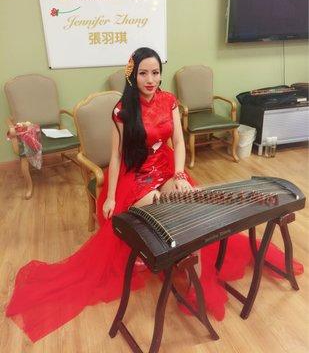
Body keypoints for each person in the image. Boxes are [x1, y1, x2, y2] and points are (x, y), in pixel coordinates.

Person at [5, 47, 303, 343]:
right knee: (168, 211)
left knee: (192, 204)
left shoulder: (169, 101)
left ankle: (194, 279)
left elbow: (178, 140)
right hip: (134, 177)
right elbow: (117, 155)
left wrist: (179, 174)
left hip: (165, 167)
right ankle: (183, 265)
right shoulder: (123, 109)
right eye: (144, 73)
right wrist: (109, 197)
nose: (151, 79)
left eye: (156, 72)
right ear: (132, 75)